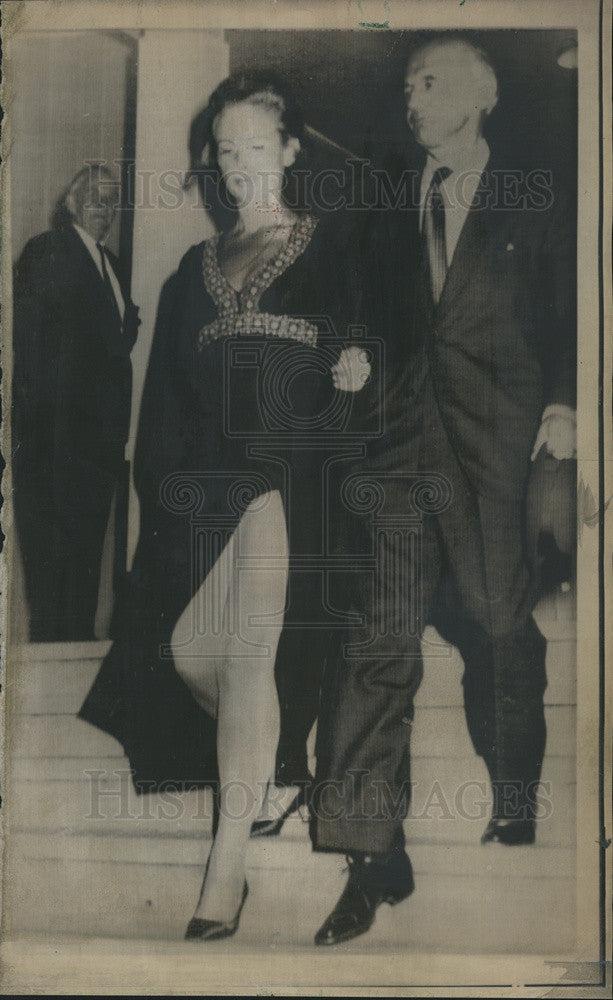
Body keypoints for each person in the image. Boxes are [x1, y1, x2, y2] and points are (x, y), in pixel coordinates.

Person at [79, 72, 370, 941]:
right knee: (183, 653)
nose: (241, 166)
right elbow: (163, 404)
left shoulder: (333, 248)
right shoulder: (185, 275)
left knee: (244, 660)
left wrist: (353, 362)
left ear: (289, 151)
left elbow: (365, 340)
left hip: (293, 470)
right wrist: (168, 500)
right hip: (208, 485)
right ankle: (278, 773)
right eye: (225, 151)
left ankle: (225, 872)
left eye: (256, 148)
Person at [310, 34, 576, 946]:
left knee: (499, 626)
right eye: (408, 83)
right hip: (396, 444)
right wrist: (347, 349)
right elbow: (354, 301)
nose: (412, 96)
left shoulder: (535, 193)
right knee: (375, 640)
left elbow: (573, 306)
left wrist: (568, 403)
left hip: (494, 446)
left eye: (430, 80)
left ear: (483, 92)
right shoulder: (388, 198)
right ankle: (369, 851)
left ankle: (510, 797)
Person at [12, 165, 140, 641]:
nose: (104, 209)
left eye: (112, 201)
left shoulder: (111, 265)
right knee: (53, 581)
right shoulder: (49, 251)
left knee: (83, 572)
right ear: (72, 203)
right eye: (94, 198)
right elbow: (31, 352)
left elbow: (108, 344)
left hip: (97, 450)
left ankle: (69, 686)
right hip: (56, 448)